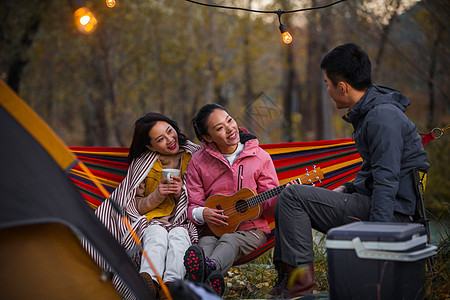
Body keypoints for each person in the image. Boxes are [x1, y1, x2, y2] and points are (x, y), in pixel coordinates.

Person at [270, 43, 430, 298]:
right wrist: (348, 187)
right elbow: (374, 168)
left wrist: (376, 242)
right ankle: (290, 281)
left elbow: (387, 182)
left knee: (292, 197)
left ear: (342, 87)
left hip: (393, 217)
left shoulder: (381, 118)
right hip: (376, 203)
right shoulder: (372, 111)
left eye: (327, 84)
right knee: (290, 197)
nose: (327, 90)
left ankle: (299, 288)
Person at [91, 112, 201, 299]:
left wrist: (182, 193)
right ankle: (149, 282)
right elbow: (134, 207)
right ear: (150, 145)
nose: (169, 139)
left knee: (179, 237)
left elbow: (206, 192)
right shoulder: (144, 164)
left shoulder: (196, 155)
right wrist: (157, 195)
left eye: (170, 131)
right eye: (160, 139)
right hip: (150, 222)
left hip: (183, 222)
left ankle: (172, 287)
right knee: (156, 235)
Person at [183, 103, 280, 296]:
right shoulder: (198, 161)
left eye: (229, 120)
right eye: (219, 128)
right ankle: (210, 286)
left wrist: (282, 197)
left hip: (251, 231)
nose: (229, 129)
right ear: (207, 138)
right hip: (212, 230)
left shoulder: (259, 157)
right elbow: (192, 204)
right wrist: (204, 213)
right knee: (202, 249)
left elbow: (269, 207)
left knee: (229, 240)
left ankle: (198, 281)